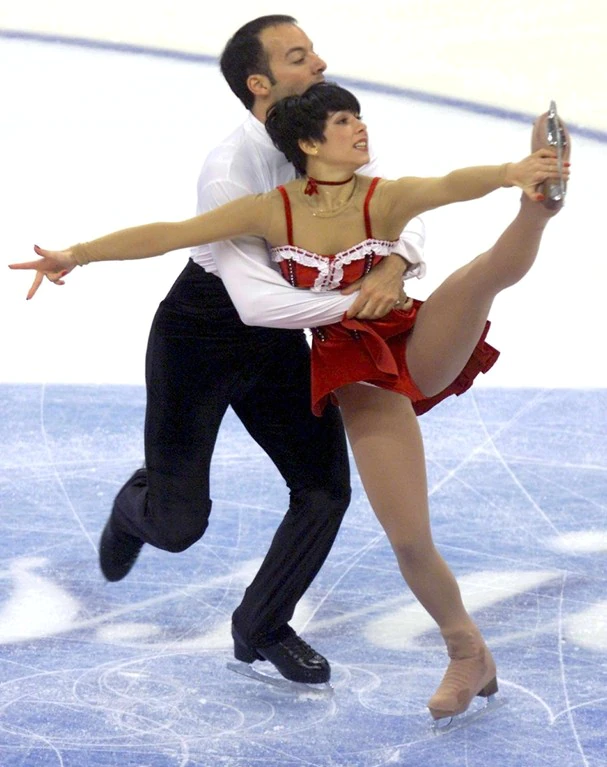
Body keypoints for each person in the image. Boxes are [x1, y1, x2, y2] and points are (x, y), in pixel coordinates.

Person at [9, 80, 570, 720]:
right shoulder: (271, 210)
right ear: (308, 142)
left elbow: (450, 184)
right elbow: (173, 233)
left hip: (413, 338)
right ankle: (468, 653)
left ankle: (538, 206)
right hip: (358, 372)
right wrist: (77, 254)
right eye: (343, 119)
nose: (361, 127)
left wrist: (512, 173)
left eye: (359, 116)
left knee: (481, 276)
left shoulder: (384, 198)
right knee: (410, 538)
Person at [16, 17, 427, 687]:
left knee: (323, 490)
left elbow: (400, 213)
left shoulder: (327, 129)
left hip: (277, 344)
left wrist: (394, 267)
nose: (320, 63)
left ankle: (260, 625)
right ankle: (135, 505)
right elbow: (257, 302)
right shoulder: (231, 168)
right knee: (180, 526)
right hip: (200, 337)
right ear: (259, 83)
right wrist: (355, 303)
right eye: (300, 57)